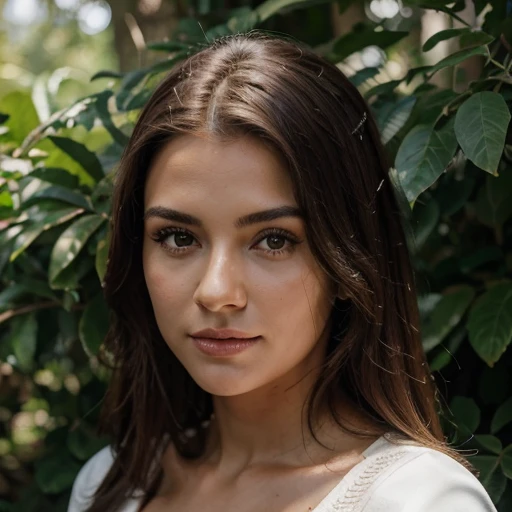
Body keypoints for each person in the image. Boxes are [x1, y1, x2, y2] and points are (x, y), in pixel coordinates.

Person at [67, 32, 496, 512]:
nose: (216, 292)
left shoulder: (418, 500)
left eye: (274, 240)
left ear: (348, 258)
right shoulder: (108, 484)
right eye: (178, 238)